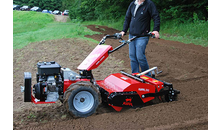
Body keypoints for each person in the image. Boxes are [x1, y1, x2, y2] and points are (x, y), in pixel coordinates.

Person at [119, 0, 160, 76]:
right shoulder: (132, 4)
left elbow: (156, 16)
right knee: (132, 56)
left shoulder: (149, 4)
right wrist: (123, 31)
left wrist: (156, 30)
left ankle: (147, 76)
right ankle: (135, 74)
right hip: (132, 35)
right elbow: (127, 18)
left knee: (140, 56)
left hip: (142, 36)